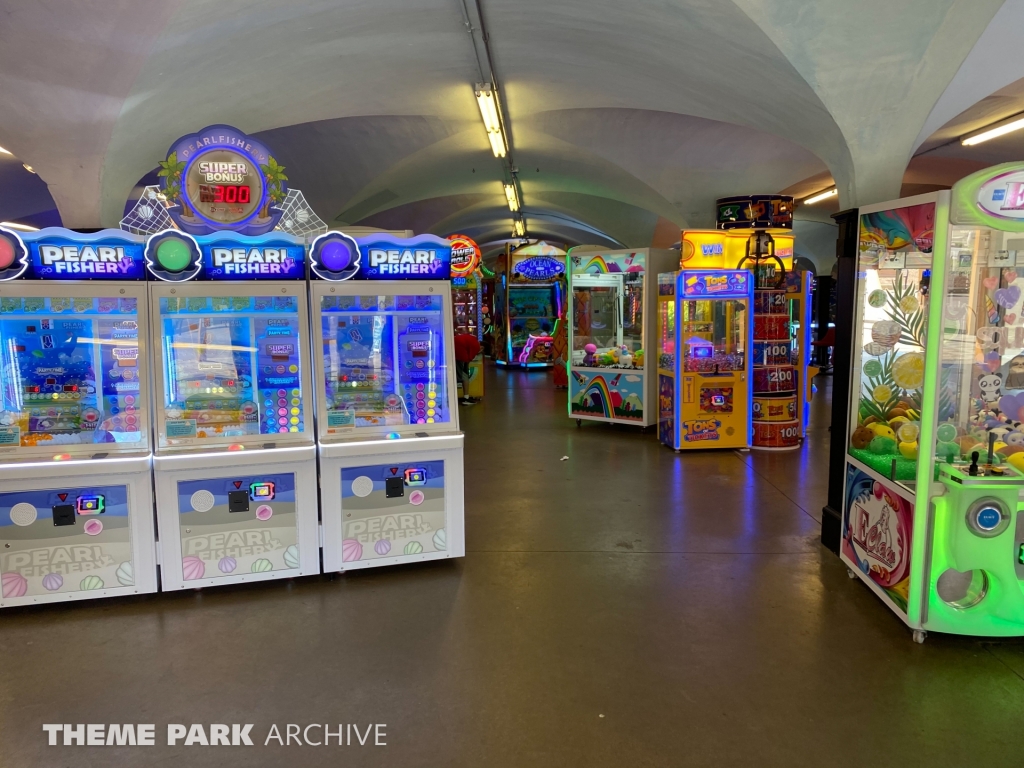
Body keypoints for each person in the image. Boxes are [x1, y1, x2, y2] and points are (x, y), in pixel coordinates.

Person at [454, 332, 482, 405]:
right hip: (459, 352)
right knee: (463, 375)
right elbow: (470, 358)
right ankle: (465, 398)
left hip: (455, 347)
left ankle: (465, 397)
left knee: (462, 374)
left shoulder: (473, 339)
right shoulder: (477, 347)